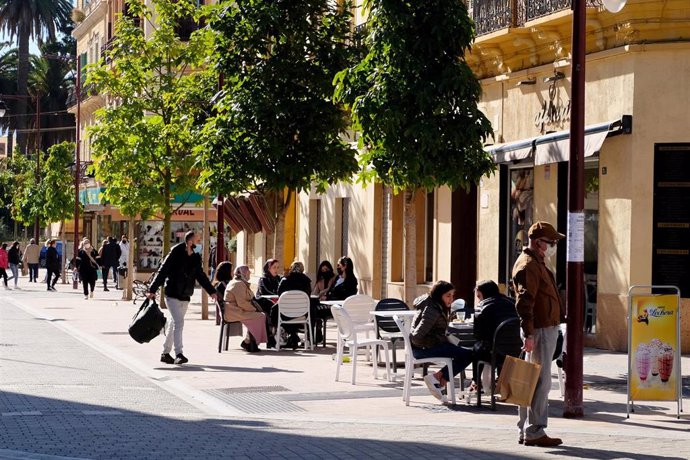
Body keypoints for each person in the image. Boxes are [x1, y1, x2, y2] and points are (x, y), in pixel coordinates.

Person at [512, 221, 565, 447]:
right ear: (537, 242)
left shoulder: (537, 261)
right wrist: (530, 334)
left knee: (532, 379)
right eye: (550, 242)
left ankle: (528, 431)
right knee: (540, 381)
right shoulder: (529, 265)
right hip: (540, 329)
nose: (552, 246)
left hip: (542, 327)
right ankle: (534, 431)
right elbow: (525, 303)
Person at [147, 230, 217, 365]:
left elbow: (201, 276)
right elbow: (163, 271)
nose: (199, 242)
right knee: (179, 323)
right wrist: (152, 289)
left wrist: (211, 291)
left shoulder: (196, 258)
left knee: (174, 323)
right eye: (197, 240)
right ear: (190, 242)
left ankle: (165, 353)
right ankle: (179, 353)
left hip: (185, 295)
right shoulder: (175, 253)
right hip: (172, 294)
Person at [410, 280, 475, 404]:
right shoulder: (432, 310)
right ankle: (438, 377)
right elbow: (417, 337)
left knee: (464, 353)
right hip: (423, 349)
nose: (451, 299)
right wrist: (438, 340)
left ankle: (439, 378)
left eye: (452, 295)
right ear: (439, 295)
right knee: (469, 354)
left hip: (426, 346)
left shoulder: (433, 305)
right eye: (448, 296)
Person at [471, 279, 519, 391]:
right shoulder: (514, 303)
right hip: (516, 351)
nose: (478, 299)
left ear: (484, 294)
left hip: (494, 354)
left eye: (479, 296)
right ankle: (500, 380)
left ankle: (476, 381)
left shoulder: (481, 308)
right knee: (494, 345)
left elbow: (477, 335)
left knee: (477, 348)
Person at [224, 265, 267, 353]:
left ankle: (249, 342)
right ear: (242, 273)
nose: (250, 273)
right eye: (247, 271)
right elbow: (242, 303)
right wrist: (254, 309)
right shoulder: (238, 284)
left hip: (237, 310)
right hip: (234, 311)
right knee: (260, 316)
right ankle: (249, 342)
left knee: (260, 315)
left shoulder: (241, 283)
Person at [276, 261, 314, 348]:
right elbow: (307, 296)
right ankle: (309, 338)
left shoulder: (284, 280)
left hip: (285, 313)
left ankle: (284, 335)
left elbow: (279, 295)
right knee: (312, 308)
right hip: (302, 313)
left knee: (274, 310)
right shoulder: (306, 282)